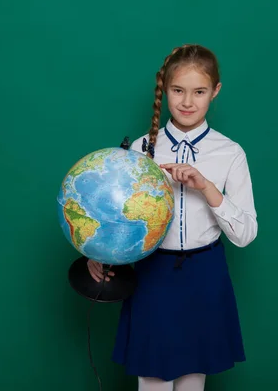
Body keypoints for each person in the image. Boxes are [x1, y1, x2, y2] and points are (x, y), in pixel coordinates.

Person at [87, 44, 258, 390]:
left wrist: (207, 187)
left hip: (206, 276)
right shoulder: (139, 149)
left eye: (199, 92)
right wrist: (98, 253)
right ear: (164, 89)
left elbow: (245, 234)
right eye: (178, 90)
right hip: (154, 275)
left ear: (216, 92)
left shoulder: (230, 153)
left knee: (194, 379)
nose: (187, 102)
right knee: (152, 380)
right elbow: (116, 217)